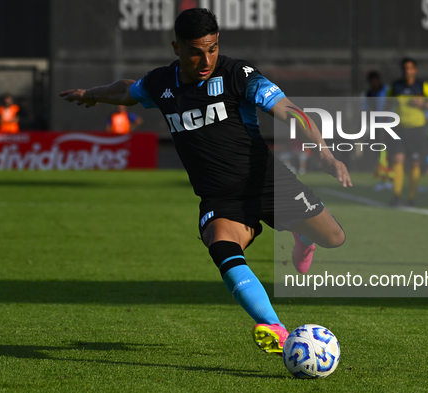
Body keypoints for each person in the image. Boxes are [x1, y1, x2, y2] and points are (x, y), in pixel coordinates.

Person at [60, 8, 350, 356]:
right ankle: (275, 328)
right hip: (220, 198)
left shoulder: (238, 74)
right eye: (196, 50)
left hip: (267, 181)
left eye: (212, 48)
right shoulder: (161, 83)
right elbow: (126, 91)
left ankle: (303, 236)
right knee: (221, 245)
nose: (205, 59)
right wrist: (92, 93)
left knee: (334, 238)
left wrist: (324, 153)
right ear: (176, 48)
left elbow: (289, 110)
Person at [387, 57, 428, 206]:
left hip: (416, 130)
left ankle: (411, 198)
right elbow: (386, 106)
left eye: (410, 68)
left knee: (414, 163)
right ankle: (396, 196)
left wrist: (424, 104)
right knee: (398, 160)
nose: (407, 71)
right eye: (404, 68)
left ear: (415, 70)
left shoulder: (423, 86)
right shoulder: (395, 87)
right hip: (398, 129)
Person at [362, 71, 392, 191]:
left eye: (376, 79)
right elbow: (365, 110)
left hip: (390, 126)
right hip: (376, 126)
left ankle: (390, 180)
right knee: (378, 154)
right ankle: (381, 180)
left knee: (389, 154)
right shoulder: (369, 94)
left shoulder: (388, 90)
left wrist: (385, 128)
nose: (374, 82)